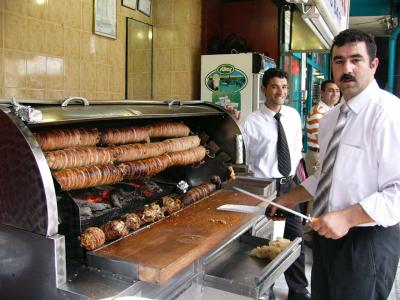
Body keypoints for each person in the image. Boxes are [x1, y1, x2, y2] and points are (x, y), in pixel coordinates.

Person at [267, 29, 400, 300]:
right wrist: (288, 199)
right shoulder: (331, 119)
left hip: (366, 241)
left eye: (356, 59)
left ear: (374, 65)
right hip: (326, 235)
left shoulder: (388, 114)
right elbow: (326, 175)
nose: (346, 68)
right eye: (339, 61)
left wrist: (347, 217)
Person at [241, 68, 310, 300]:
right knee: (264, 243)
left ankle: (298, 291)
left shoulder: (292, 115)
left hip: (289, 185)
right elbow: (243, 158)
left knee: (295, 240)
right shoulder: (251, 122)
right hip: (264, 188)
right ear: (264, 89)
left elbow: (295, 150)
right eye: (274, 86)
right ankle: (265, 291)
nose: (280, 91)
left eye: (284, 87)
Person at [305, 80, 340, 176]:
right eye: (331, 90)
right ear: (322, 93)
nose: (335, 94)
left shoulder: (332, 110)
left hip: (327, 154)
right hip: (319, 157)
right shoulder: (318, 112)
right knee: (318, 190)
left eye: (337, 90)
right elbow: (323, 139)